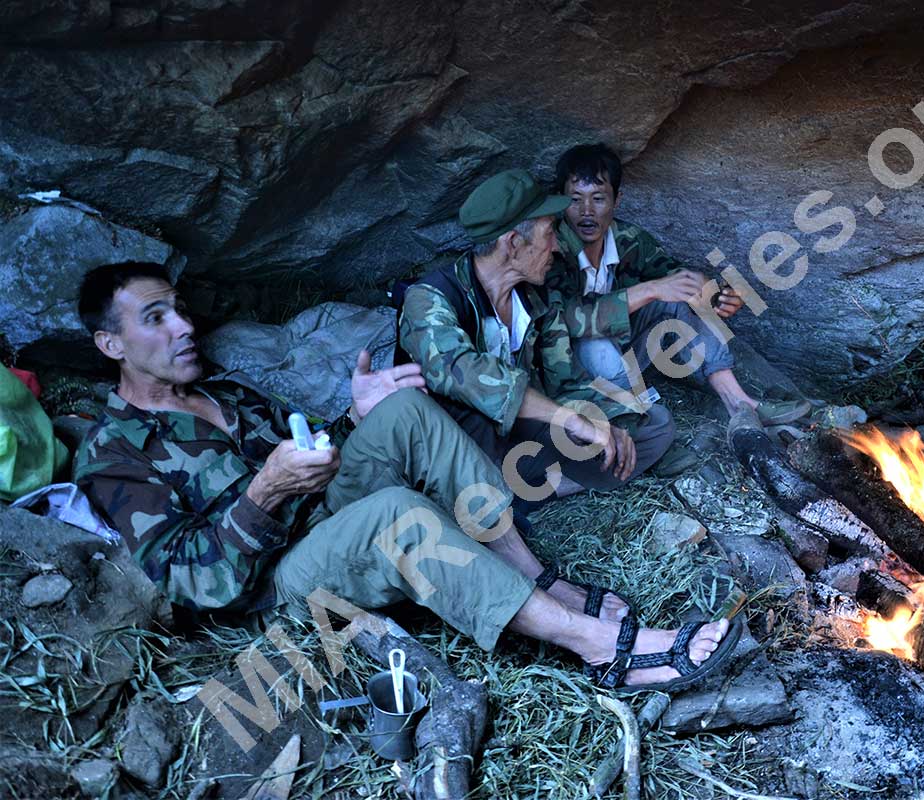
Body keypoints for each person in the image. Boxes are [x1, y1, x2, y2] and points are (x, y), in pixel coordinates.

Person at [72, 261, 739, 693]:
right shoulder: (113, 455)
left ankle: (534, 576)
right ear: (111, 345)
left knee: (405, 410)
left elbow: (307, 450)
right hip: (271, 589)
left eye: (179, 308)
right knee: (397, 512)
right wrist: (262, 491)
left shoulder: (223, 393)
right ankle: (600, 648)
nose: (184, 326)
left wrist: (353, 413)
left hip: (320, 517)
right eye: (156, 318)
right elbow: (193, 585)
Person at [399, 169, 675, 506]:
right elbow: (462, 372)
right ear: (514, 243)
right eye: (549, 233)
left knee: (654, 425)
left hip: (524, 434)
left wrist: (612, 420)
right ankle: (515, 491)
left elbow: (565, 382)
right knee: (479, 439)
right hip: (459, 446)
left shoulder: (536, 297)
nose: (557, 246)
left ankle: (528, 490)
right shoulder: (430, 298)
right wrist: (574, 421)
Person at [547, 143, 812, 424]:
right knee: (596, 348)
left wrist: (715, 295)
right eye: (575, 199)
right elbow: (566, 320)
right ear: (561, 201)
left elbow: (676, 277)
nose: (586, 211)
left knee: (679, 297)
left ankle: (739, 402)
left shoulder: (628, 238)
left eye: (598, 198)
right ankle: (634, 419)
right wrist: (650, 289)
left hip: (624, 349)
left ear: (617, 200)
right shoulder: (551, 248)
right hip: (568, 367)